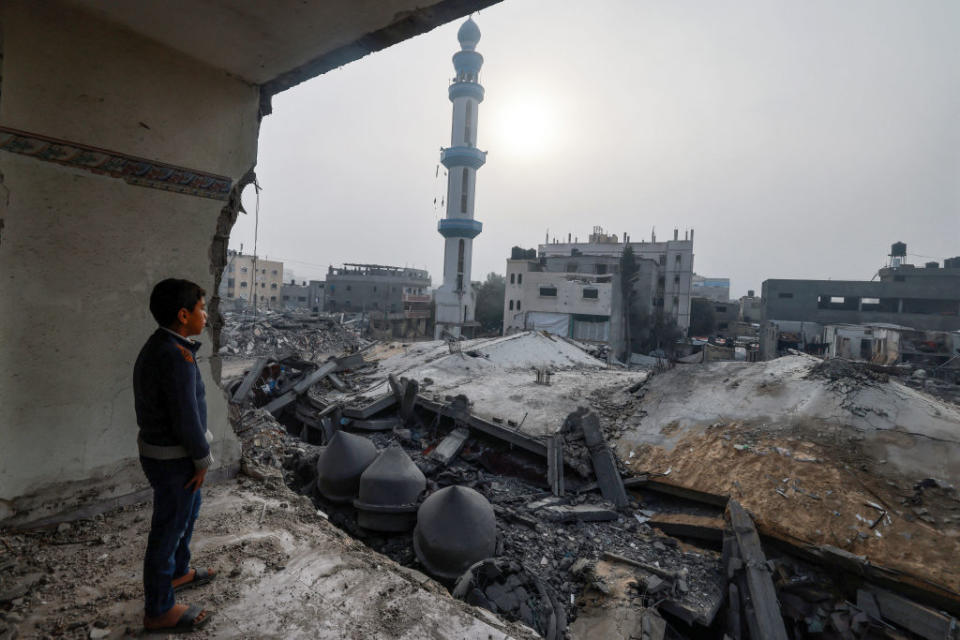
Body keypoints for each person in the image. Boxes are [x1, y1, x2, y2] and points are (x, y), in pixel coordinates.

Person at [133, 279, 217, 632]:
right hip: (174, 459)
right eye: (202, 308)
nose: (206, 315)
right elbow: (186, 417)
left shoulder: (166, 346)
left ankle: (179, 572)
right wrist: (202, 460)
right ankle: (159, 609)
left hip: (167, 454)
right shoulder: (176, 356)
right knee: (168, 529)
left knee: (187, 514)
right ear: (184, 315)